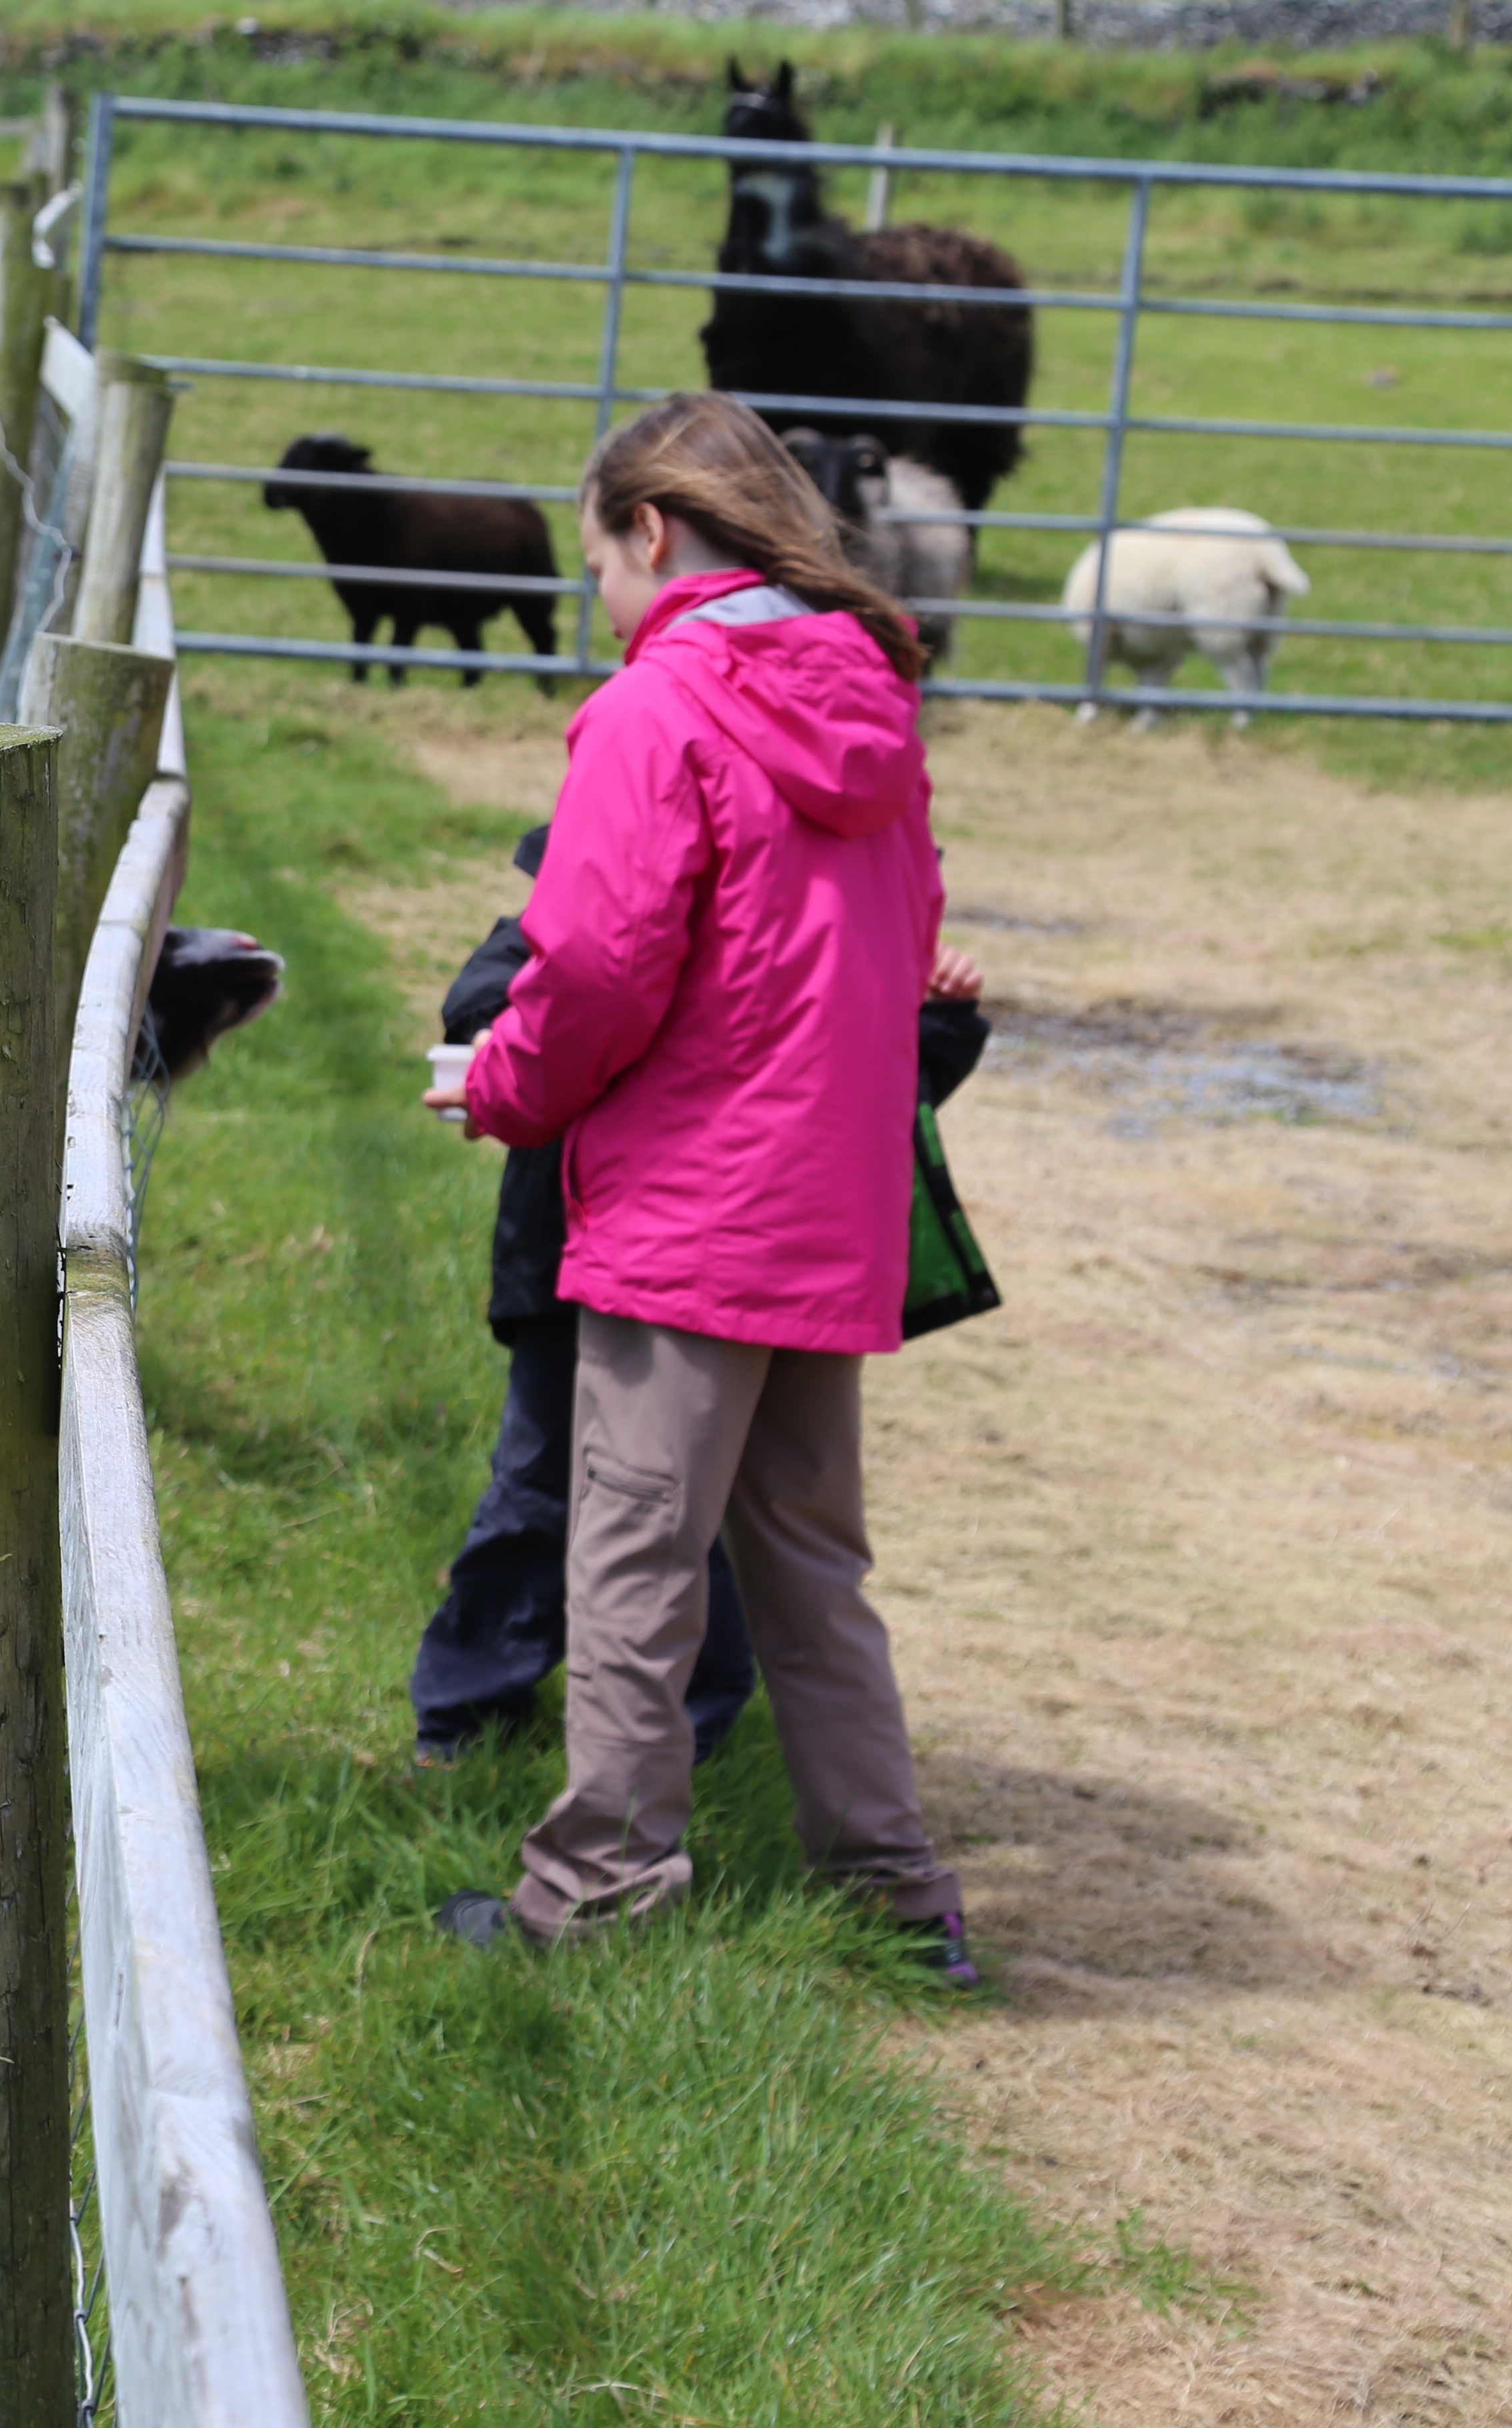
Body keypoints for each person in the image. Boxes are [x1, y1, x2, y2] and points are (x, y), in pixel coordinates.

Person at [423, 391, 975, 1983]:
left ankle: (593, 1889)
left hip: (692, 1204)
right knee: (809, 1561)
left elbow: (590, 963)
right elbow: (906, 949)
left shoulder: (657, 711)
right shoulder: (875, 706)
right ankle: (895, 1895)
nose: (600, 598)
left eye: (599, 559)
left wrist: (513, 1087)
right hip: (834, 1198)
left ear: (649, 531)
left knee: (634, 1552)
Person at [411, 882, 992, 1770]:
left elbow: (876, 1090)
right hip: (569, 1261)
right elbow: (488, 1000)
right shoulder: (577, 916)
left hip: (725, 1272)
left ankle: (697, 1726)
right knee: (537, 1494)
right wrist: (506, 1035)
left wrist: (939, 1017)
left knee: (697, 1512)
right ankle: (468, 1710)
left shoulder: (806, 950)